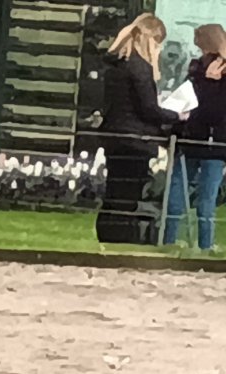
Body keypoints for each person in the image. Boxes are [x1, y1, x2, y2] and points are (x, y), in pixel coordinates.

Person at [96, 15, 186, 245]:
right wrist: (176, 115)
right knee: (129, 192)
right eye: (158, 44)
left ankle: (107, 233)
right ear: (150, 40)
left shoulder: (116, 65)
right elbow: (148, 108)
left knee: (114, 189)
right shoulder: (140, 68)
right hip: (135, 138)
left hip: (114, 136)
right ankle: (122, 236)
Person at [164, 25, 226, 250]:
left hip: (201, 139)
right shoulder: (198, 68)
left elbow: (209, 107)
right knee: (203, 198)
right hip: (211, 142)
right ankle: (204, 244)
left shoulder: (196, 69)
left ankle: (170, 239)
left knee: (185, 194)